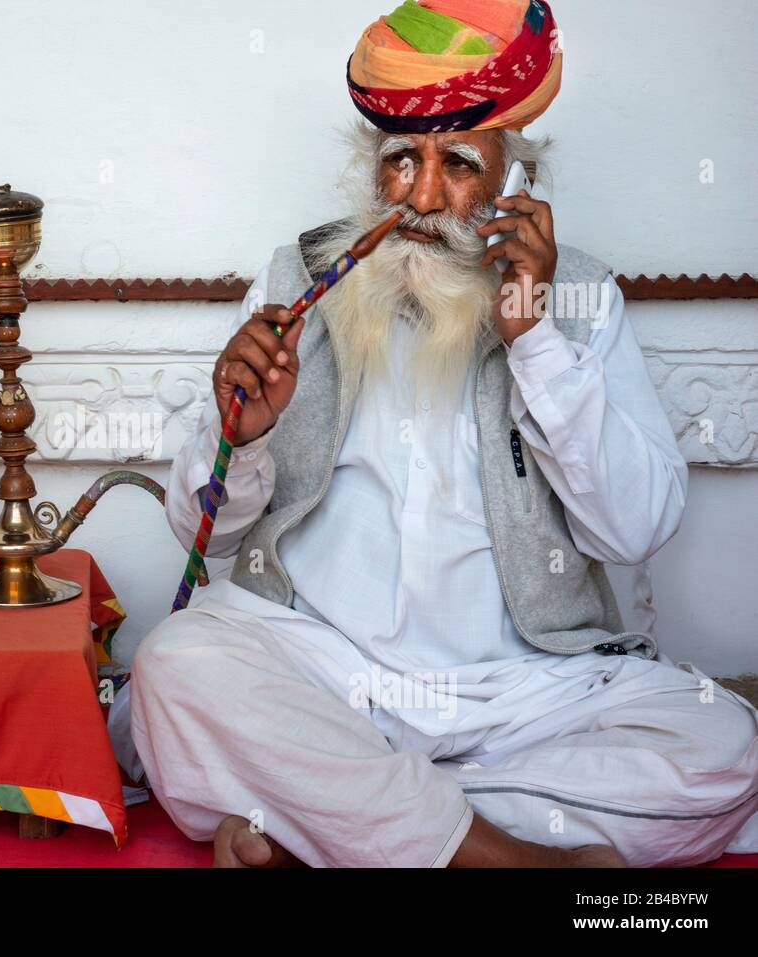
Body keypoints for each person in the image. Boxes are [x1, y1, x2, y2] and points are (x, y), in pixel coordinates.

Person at [128, 0, 758, 867]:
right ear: (371, 171)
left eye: (458, 163)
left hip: (526, 692)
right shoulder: (293, 281)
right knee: (176, 660)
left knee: (721, 744)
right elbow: (206, 530)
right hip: (330, 674)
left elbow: (635, 529)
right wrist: (246, 436)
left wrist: (534, 341)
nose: (423, 198)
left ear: (512, 183)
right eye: (400, 163)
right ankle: (511, 856)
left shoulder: (576, 297)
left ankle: (348, 820)